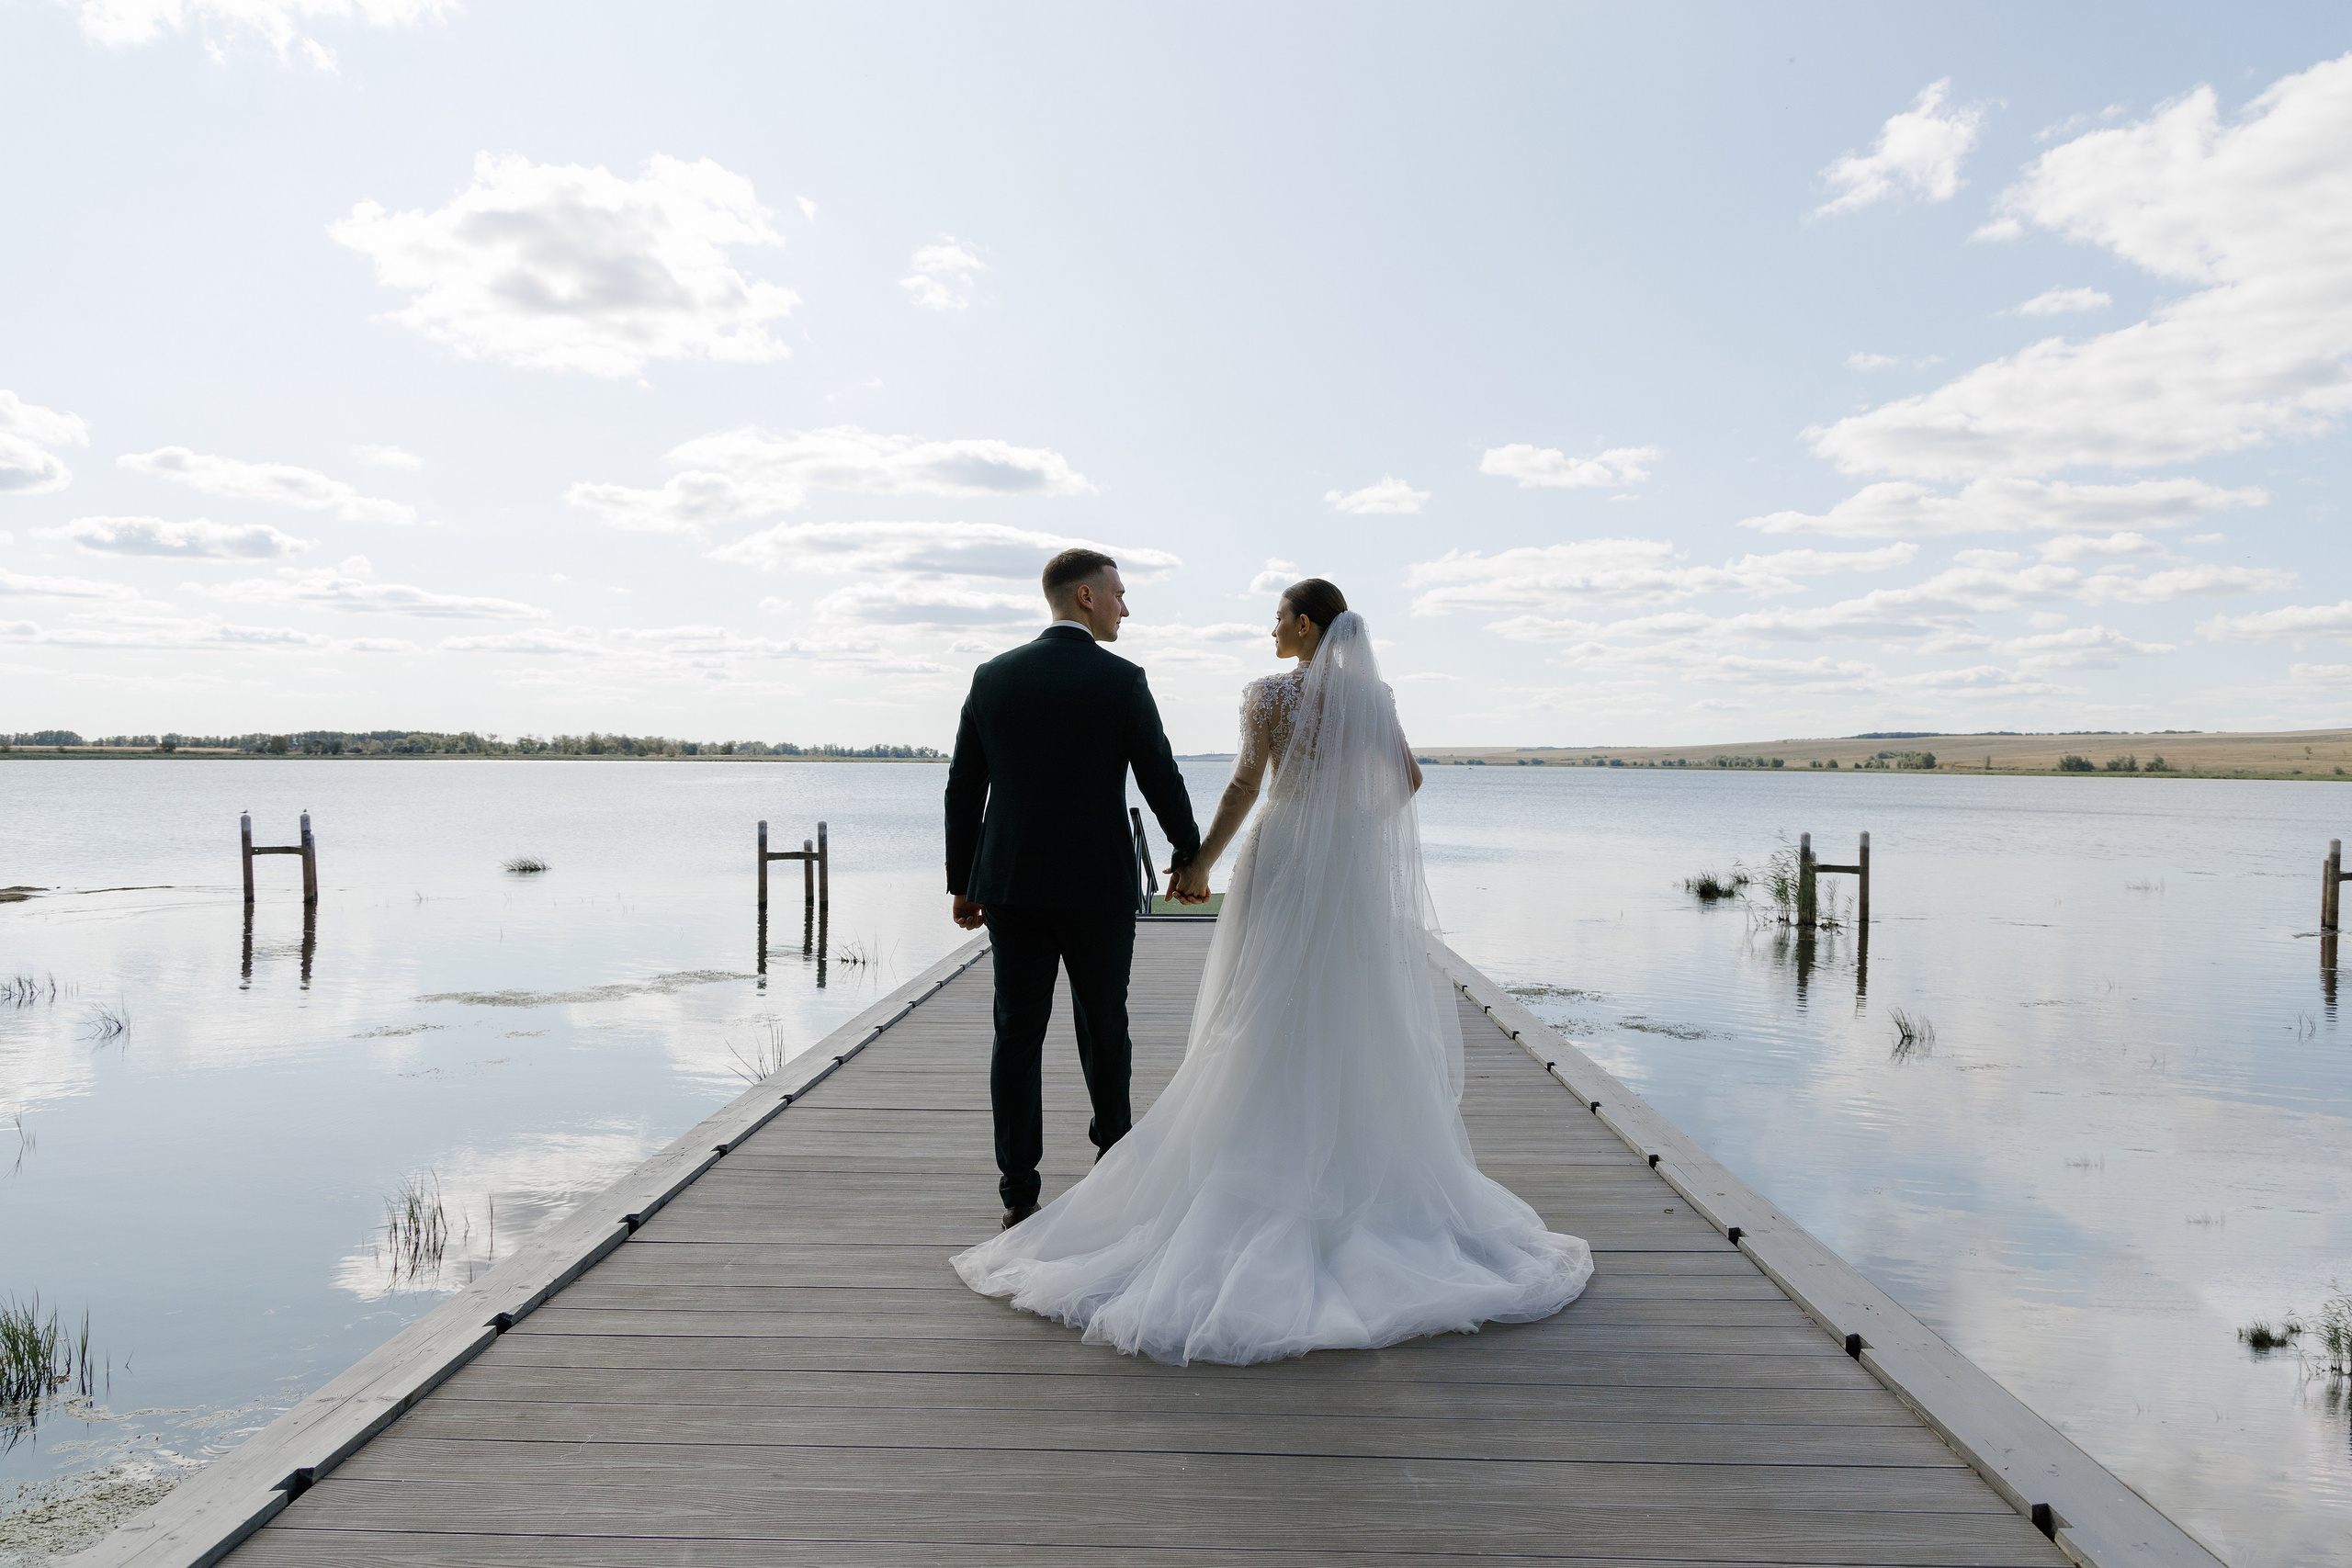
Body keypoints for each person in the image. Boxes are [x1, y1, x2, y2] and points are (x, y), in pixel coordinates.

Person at [952, 577, 1592, 1365]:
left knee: (1257, 1008)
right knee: (1353, 1010)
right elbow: (1409, 782)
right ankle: (1351, 1174)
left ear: (1306, 623)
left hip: (1282, 855)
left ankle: (1196, 1169)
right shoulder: (1374, 694)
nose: (1272, 626)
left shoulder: (1266, 696)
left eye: (1280, 616)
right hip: (1343, 864)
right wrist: (1351, 831)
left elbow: (1245, 784)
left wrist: (1198, 864)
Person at [944, 547, 1203, 1230]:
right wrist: (1188, 852)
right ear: (1085, 596)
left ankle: (1017, 1191)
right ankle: (1113, 1161)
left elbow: (965, 787)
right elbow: (1160, 775)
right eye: (1119, 593)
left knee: (1016, 1031)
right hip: (1096, 883)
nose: (1126, 605)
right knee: (1103, 1021)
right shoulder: (1120, 679)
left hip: (1011, 880)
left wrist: (963, 880)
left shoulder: (993, 676)